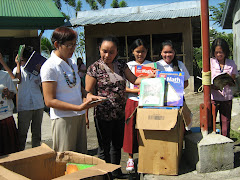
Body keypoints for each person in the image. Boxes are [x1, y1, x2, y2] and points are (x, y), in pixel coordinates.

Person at [85, 36, 156, 178]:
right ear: (99, 49)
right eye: (104, 51)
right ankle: (104, 175)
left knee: (117, 145)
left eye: (111, 52)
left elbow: (135, 80)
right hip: (103, 114)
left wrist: (150, 76)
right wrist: (86, 115)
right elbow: (87, 93)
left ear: (117, 51)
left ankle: (116, 172)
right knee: (104, 148)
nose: (107, 55)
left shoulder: (122, 65)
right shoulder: (94, 68)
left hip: (119, 113)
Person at [40, 26, 103, 153]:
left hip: (78, 115)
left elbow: (77, 86)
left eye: (74, 45)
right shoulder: (50, 67)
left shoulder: (72, 63)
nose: (73, 49)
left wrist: (88, 95)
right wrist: (78, 108)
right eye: (69, 45)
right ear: (57, 44)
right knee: (66, 158)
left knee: (80, 157)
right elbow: (49, 101)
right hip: (63, 118)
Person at [122, 39, 152, 172]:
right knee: (130, 129)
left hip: (149, 101)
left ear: (147, 51)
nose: (140, 54)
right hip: (132, 100)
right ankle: (130, 158)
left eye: (143, 51)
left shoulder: (152, 65)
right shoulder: (127, 66)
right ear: (132, 51)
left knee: (147, 129)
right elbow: (123, 87)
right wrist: (136, 91)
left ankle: (147, 156)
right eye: (137, 51)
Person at [13, 46, 45, 151]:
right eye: (21, 60)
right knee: (22, 134)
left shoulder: (36, 70)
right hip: (24, 106)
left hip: (38, 104)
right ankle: (21, 154)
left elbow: (42, 85)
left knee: (37, 133)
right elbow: (18, 80)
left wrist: (41, 70)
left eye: (24, 60)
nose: (23, 62)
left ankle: (35, 154)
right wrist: (18, 64)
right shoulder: (18, 70)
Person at [210, 38, 237, 138]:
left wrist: (229, 81)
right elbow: (206, 78)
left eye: (221, 52)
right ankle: (212, 140)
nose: (219, 55)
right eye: (216, 52)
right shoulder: (210, 62)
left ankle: (226, 140)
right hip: (213, 96)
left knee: (225, 122)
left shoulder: (231, 63)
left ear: (225, 52)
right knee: (211, 121)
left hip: (227, 97)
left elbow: (233, 79)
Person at [0, 52, 19, 155]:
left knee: (9, 152)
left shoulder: (5, 75)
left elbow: (13, 94)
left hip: (5, 118)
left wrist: (8, 93)